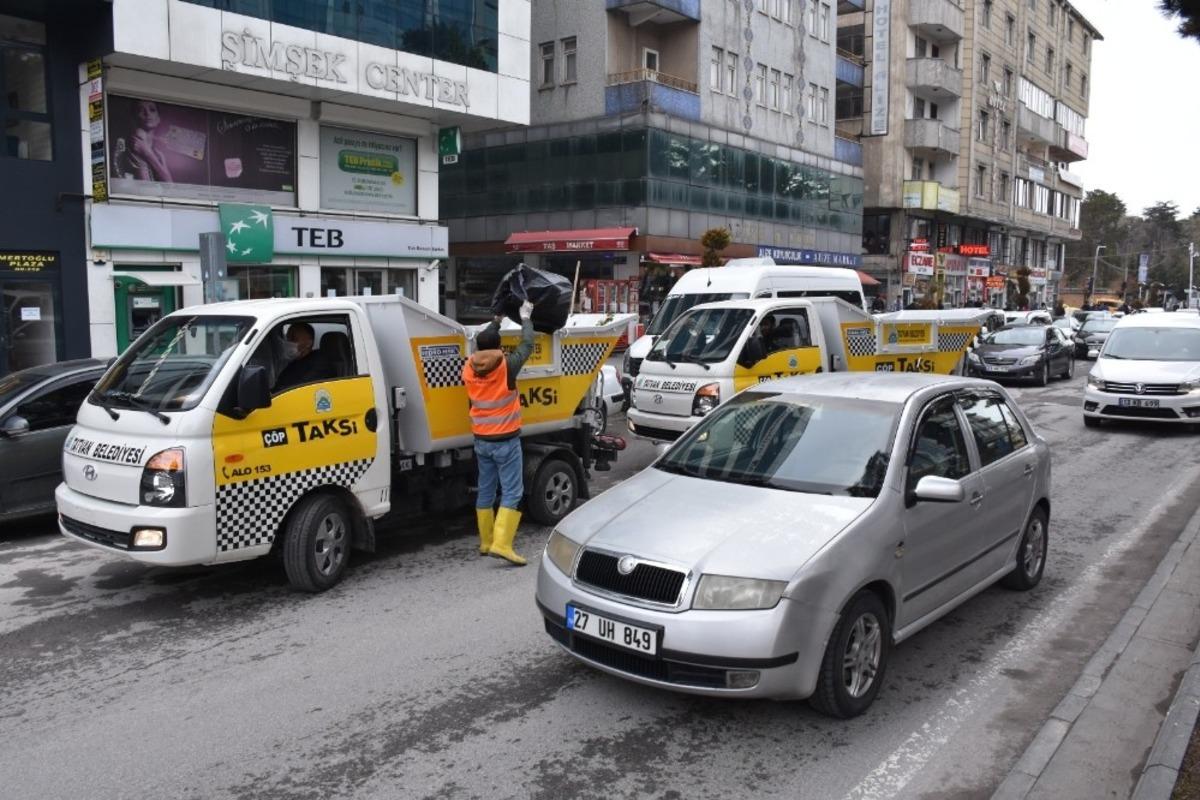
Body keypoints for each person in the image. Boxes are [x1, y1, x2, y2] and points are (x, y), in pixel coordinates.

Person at [463, 301, 536, 566]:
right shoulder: (507, 366)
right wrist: (525, 318)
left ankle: (486, 541)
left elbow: (484, 341)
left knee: (485, 489)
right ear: (498, 346)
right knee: (512, 492)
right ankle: (502, 545)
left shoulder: (468, 367)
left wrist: (496, 320)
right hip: (506, 440)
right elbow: (527, 345)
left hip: (481, 441)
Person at [273, 322, 336, 392]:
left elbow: (299, 388)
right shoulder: (293, 363)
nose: (288, 343)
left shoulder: (320, 363)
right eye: (287, 339)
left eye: (293, 339)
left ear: (308, 343)